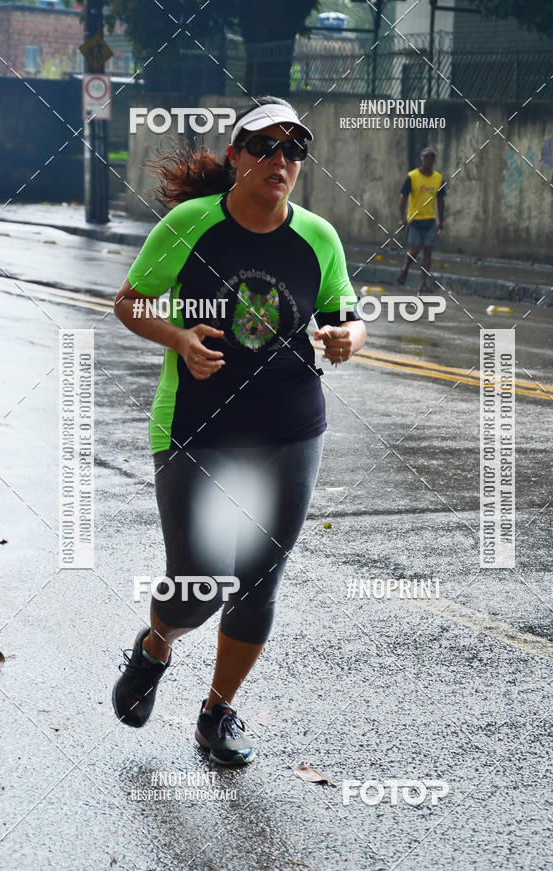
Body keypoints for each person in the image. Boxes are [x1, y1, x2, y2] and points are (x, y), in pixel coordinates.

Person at [111, 96, 367, 766]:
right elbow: (129, 303)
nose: (279, 160)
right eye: (264, 146)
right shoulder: (190, 226)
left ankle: (217, 712)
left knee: (259, 582)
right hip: (197, 428)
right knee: (199, 581)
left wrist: (347, 337)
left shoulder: (318, 237)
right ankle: (154, 647)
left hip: (291, 428)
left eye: (292, 150)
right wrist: (177, 335)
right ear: (236, 156)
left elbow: (348, 314)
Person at [397, 147, 446, 292]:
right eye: (426, 158)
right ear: (421, 159)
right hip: (415, 219)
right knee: (415, 250)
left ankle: (423, 283)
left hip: (430, 219)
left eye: (431, 158)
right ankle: (405, 268)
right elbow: (403, 197)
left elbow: (441, 200)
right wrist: (402, 218)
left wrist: (441, 222)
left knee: (428, 252)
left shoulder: (438, 178)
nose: (428, 161)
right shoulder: (412, 176)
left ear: (434, 161)